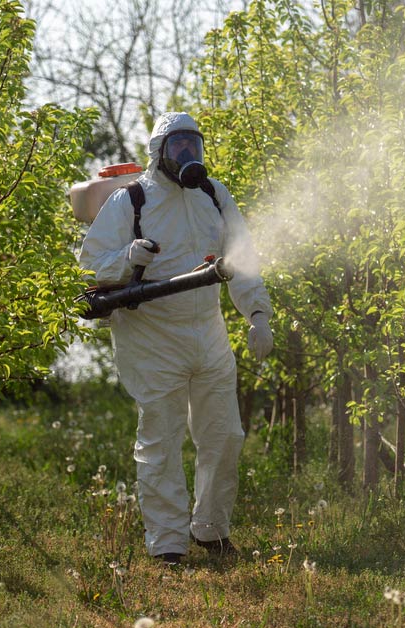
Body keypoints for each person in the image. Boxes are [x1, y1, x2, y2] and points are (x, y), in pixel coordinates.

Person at [78, 112, 274, 565]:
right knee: (161, 439)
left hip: (209, 330)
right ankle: (167, 543)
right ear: (158, 152)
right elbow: (90, 266)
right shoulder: (131, 201)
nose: (188, 155)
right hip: (151, 336)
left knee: (224, 436)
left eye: (194, 146)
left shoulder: (212, 193)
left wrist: (258, 313)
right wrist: (127, 257)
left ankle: (210, 529)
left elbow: (241, 258)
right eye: (178, 146)